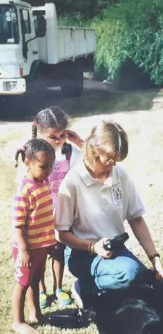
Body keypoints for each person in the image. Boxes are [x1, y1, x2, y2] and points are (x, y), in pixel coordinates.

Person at [54, 120, 163, 309]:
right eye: (108, 160)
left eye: (116, 161)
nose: (112, 165)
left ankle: (108, 287)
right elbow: (61, 234)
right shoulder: (72, 182)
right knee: (130, 274)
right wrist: (92, 247)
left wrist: (155, 258)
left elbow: (136, 218)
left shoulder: (121, 175)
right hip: (82, 253)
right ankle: (84, 287)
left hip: (114, 248)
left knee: (144, 278)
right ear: (92, 151)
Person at [15, 106, 84, 308]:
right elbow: (21, 186)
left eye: (62, 135)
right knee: (39, 255)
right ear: (39, 129)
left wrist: (80, 142)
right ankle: (42, 290)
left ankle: (58, 288)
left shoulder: (71, 152)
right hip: (38, 214)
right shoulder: (30, 154)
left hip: (62, 212)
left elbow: (89, 164)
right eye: (53, 136)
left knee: (58, 251)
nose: (59, 140)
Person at [11, 139, 56, 334]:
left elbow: (45, 218)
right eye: (43, 167)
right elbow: (18, 226)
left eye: (51, 167)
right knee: (22, 284)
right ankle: (18, 322)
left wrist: (50, 243)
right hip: (27, 249)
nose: (48, 171)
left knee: (35, 279)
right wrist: (23, 251)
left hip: (41, 246)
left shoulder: (43, 183)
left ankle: (35, 312)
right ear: (28, 163)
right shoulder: (24, 191)